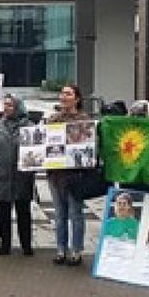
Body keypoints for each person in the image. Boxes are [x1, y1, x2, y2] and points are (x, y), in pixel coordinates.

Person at [0, 93, 36, 256]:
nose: (6, 108)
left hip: (22, 177)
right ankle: (5, 243)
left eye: (10, 105)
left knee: (23, 211)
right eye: (5, 105)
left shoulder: (30, 127)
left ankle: (26, 244)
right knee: (3, 212)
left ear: (18, 107)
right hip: (1, 175)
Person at [48, 85, 90, 264]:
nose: (64, 97)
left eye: (68, 93)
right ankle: (61, 249)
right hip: (56, 174)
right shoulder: (52, 120)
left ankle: (77, 250)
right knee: (59, 214)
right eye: (62, 93)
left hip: (75, 175)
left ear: (77, 98)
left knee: (76, 213)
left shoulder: (84, 120)